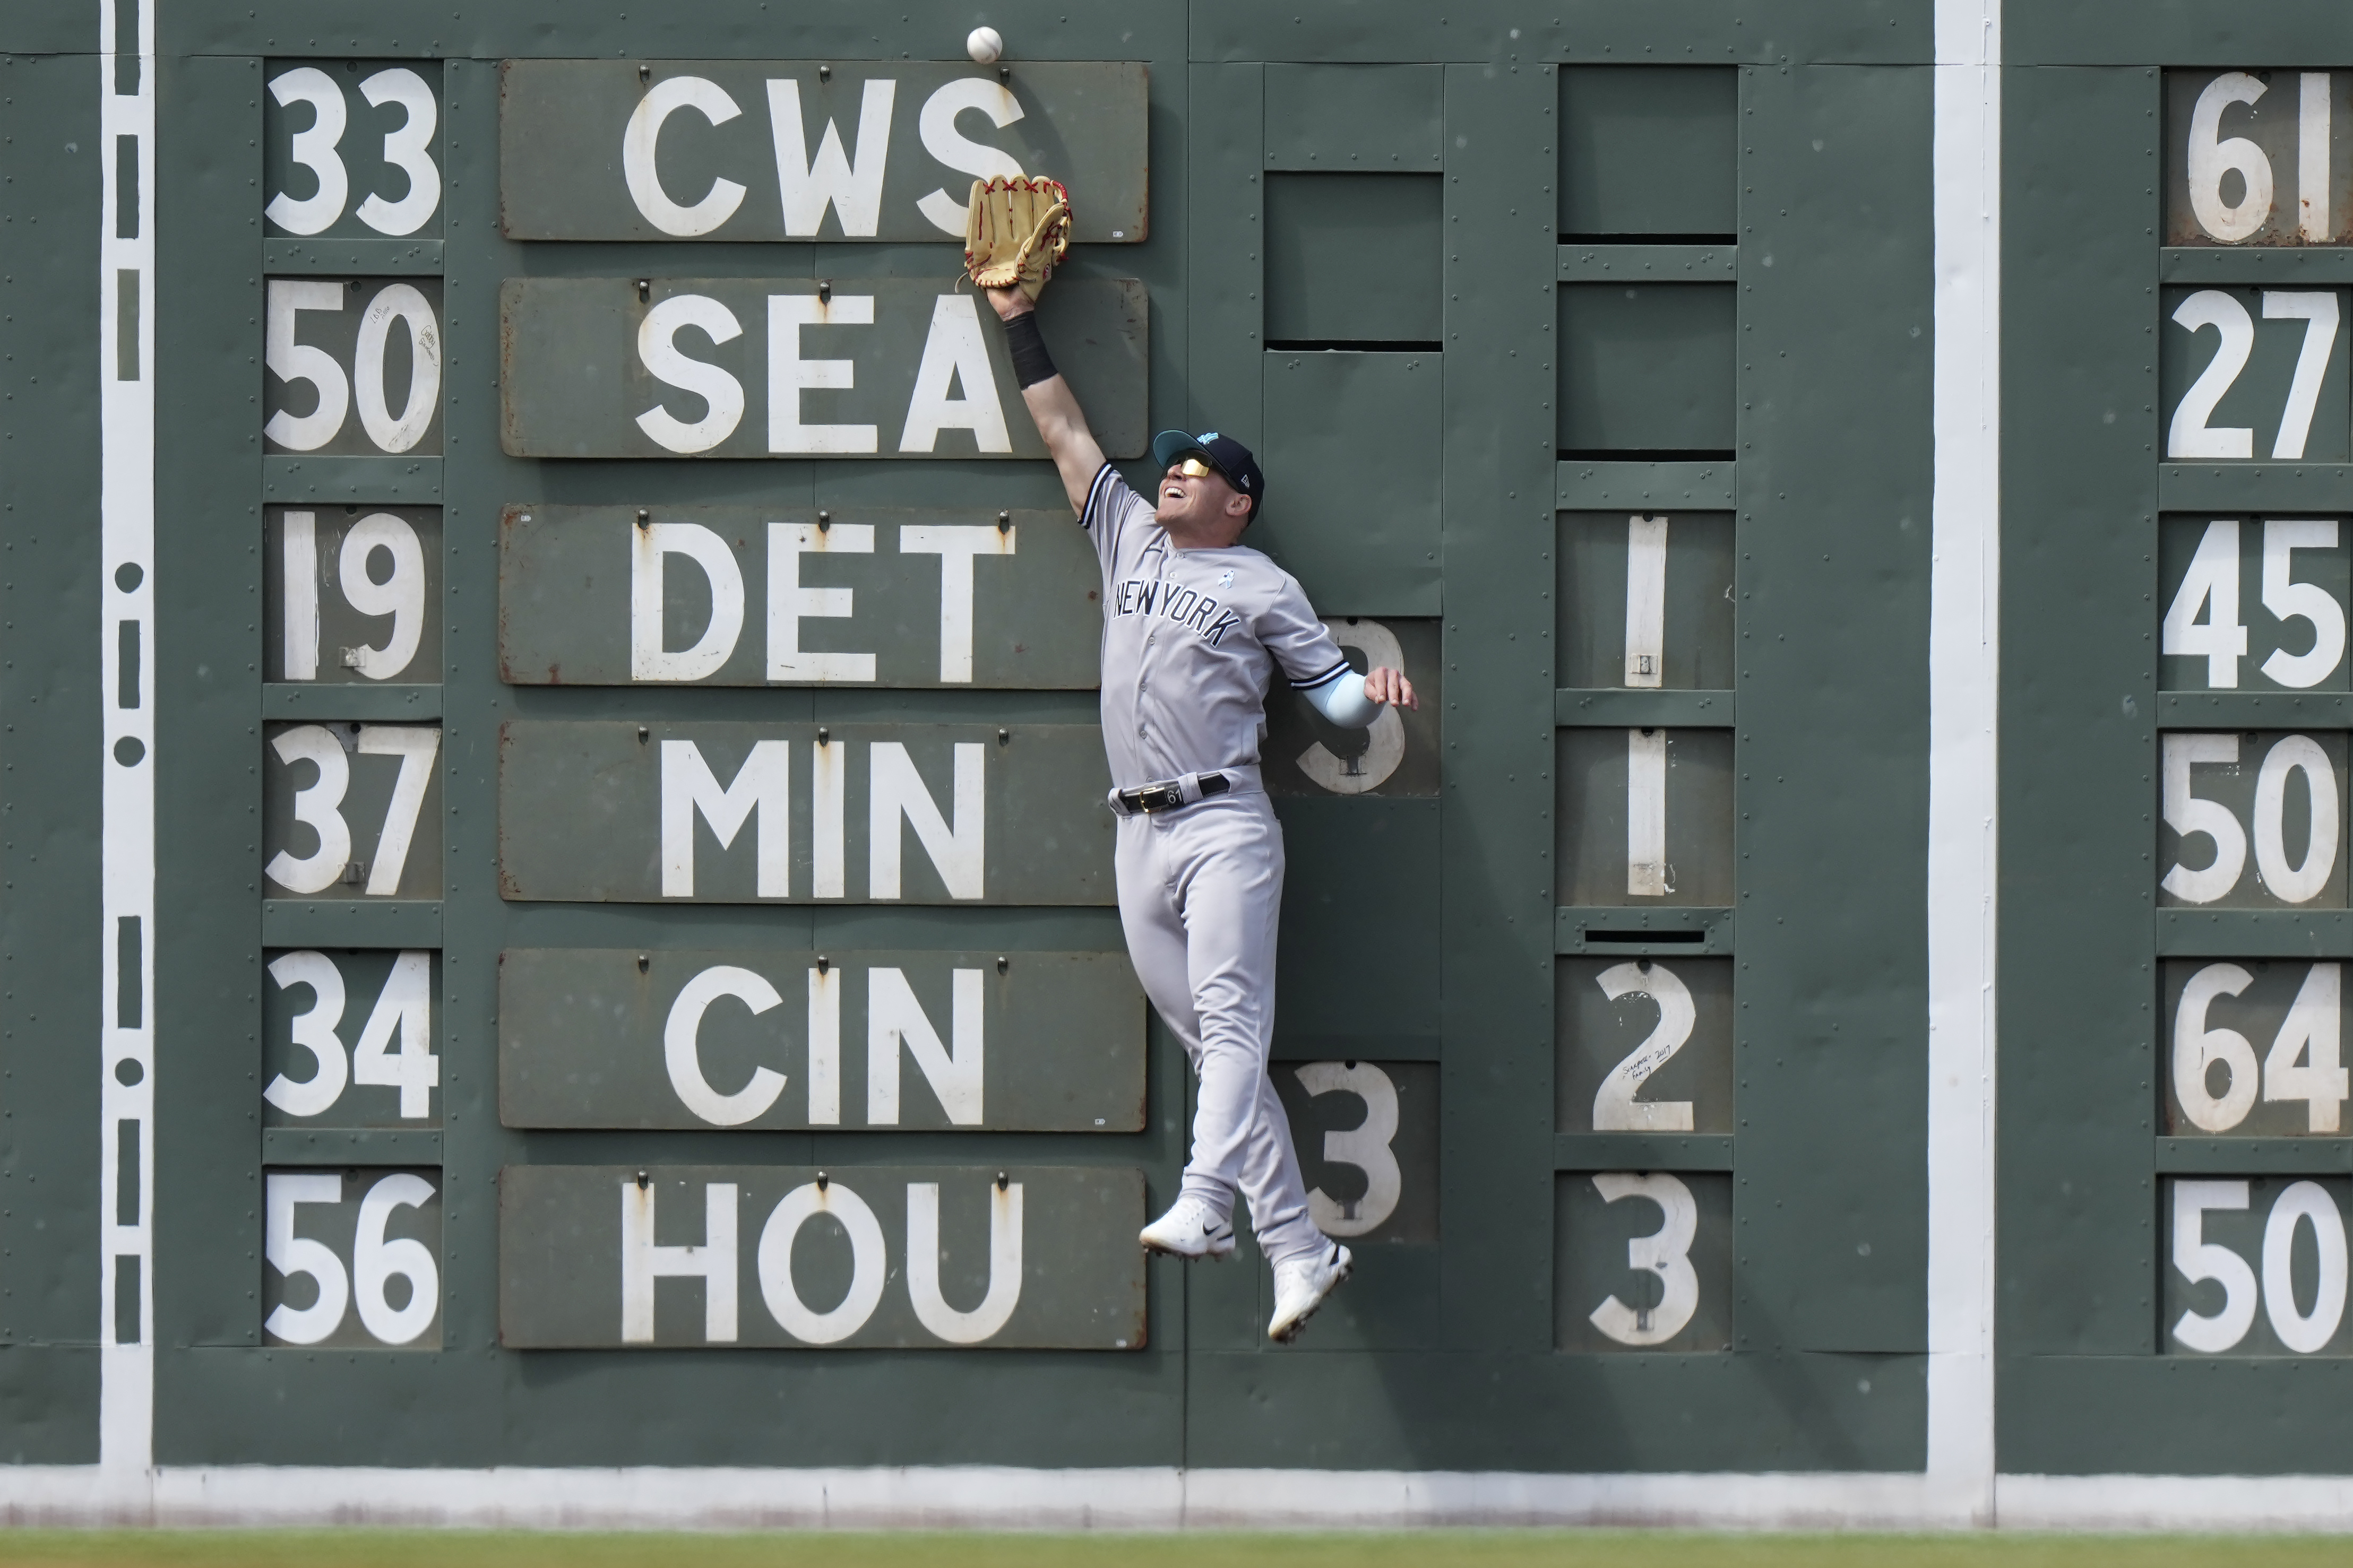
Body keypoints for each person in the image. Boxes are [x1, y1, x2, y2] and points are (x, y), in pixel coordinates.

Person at [983, 281, 1418, 1343]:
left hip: (1225, 823)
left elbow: (1332, 701)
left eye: (1202, 471)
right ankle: (1300, 1247)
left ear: (1239, 502)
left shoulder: (1264, 584)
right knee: (1218, 1049)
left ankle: (1205, 1200)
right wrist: (1015, 320)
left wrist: (1376, 694)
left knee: (1231, 1028)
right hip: (1137, 830)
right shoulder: (1129, 534)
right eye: (1176, 463)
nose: (1177, 474)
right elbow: (1060, 425)